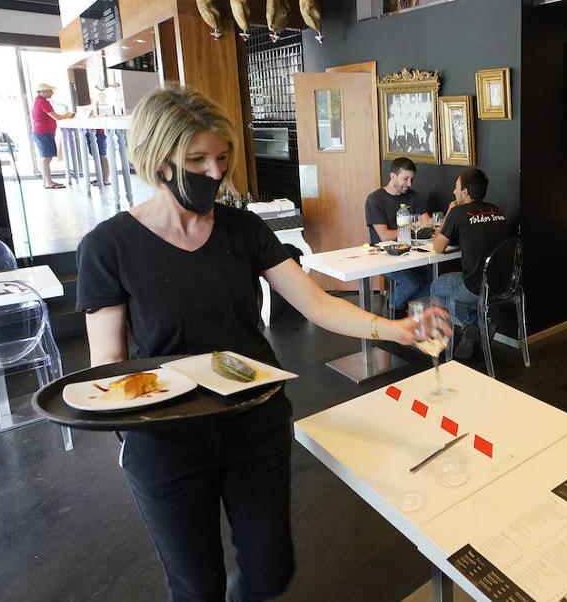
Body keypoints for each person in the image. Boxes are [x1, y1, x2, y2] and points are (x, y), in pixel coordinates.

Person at [77, 87, 442, 602]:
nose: (214, 172)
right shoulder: (108, 246)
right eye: (197, 160)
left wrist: (396, 329)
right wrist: (123, 422)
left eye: (222, 158)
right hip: (166, 441)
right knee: (196, 586)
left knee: (271, 570)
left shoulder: (242, 229)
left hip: (253, 421)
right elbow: (108, 363)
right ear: (157, 161)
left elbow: (316, 304)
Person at [432, 168, 509, 355]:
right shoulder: (495, 209)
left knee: (437, 287)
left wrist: (450, 212)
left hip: (476, 287)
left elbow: (437, 247)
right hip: (504, 284)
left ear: (465, 192)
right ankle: (480, 327)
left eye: (456, 188)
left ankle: (473, 326)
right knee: (455, 286)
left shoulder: (458, 213)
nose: (453, 192)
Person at [365, 157, 433, 313]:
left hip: (411, 252)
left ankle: (407, 307)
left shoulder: (413, 195)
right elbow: (384, 236)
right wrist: (414, 227)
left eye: (411, 179)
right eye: (405, 179)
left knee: (433, 277)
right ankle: (393, 309)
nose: (409, 184)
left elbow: (428, 222)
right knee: (411, 283)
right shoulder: (375, 199)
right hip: (384, 255)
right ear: (392, 176)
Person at [31, 82, 74, 189]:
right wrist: (68, 115)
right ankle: (49, 183)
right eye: (50, 91)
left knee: (45, 157)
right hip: (43, 132)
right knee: (46, 158)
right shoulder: (42, 102)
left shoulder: (39, 101)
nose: (52, 92)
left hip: (42, 132)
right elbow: (57, 117)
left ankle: (47, 182)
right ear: (43, 91)